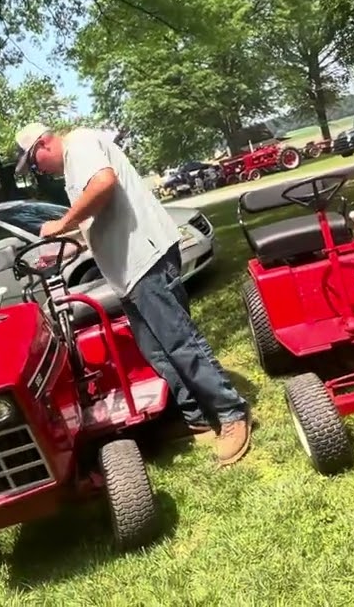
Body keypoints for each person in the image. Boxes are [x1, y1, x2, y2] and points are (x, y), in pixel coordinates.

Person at [14, 121, 252, 466]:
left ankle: (230, 412)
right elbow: (101, 218)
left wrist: (61, 224)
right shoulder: (75, 166)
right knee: (155, 350)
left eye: (35, 164)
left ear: (42, 145)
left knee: (179, 342)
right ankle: (196, 416)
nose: (40, 172)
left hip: (145, 258)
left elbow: (104, 184)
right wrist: (70, 244)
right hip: (127, 271)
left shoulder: (79, 145)